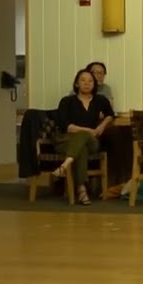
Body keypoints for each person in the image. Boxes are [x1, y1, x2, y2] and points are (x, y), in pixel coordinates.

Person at [53, 68, 114, 205]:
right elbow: (65, 125)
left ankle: (65, 165)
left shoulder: (100, 100)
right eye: (83, 80)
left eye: (90, 81)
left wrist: (101, 126)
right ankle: (82, 189)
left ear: (94, 84)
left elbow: (110, 114)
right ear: (76, 84)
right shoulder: (67, 101)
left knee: (84, 140)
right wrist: (87, 130)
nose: (87, 83)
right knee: (82, 148)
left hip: (93, 142)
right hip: (67, 141)